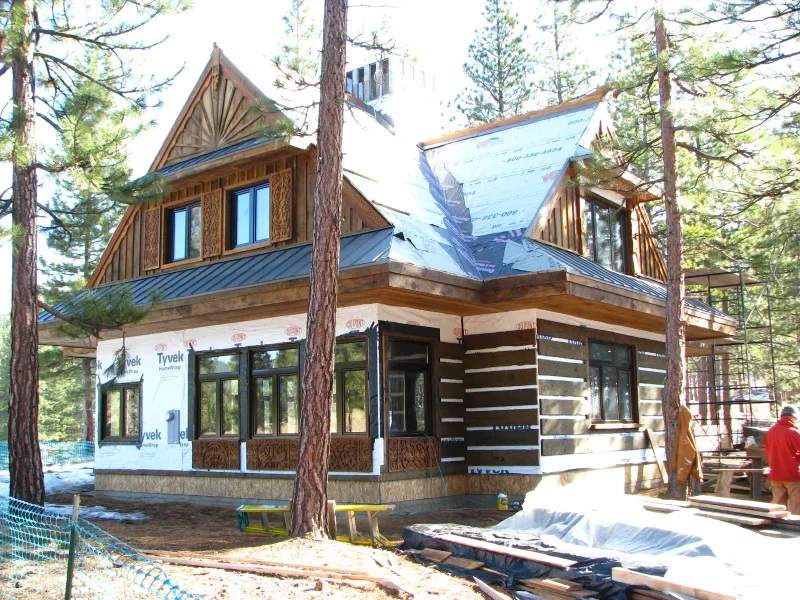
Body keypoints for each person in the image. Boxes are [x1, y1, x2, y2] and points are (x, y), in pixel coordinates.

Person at [764, 405, 800, 514]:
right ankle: (796, 528)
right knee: (796, 505)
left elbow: (768, 451)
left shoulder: (770, 432)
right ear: (793, 417)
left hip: (775, 474)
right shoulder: (793, 432)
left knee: (778, 507)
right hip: (792, 475)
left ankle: (777, 525)